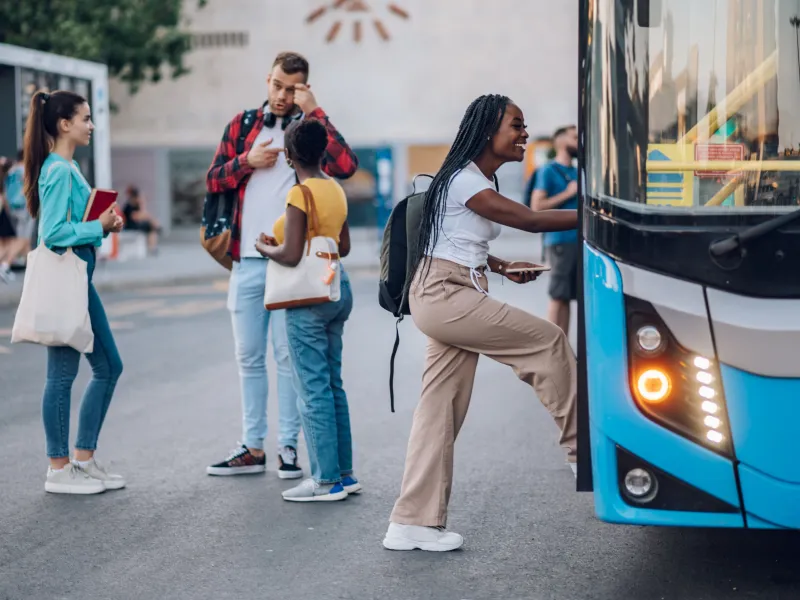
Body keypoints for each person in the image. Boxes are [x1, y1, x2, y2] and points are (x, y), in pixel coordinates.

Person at [383, 95, 579, 552]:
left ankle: (411, 522)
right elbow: (530, 220)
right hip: (445, 295)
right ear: (488, 130)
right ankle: (582, 452)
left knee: (439, 411)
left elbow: (452, 241)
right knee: (548, 342)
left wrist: (501, 264)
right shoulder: (462, 180)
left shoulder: (471, 179)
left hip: (453, 289)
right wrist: (607, 216)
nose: (525, 134)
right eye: (516, 125)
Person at [205, 51, 358, 478]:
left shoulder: (308, 131)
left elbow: (346, 166)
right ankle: (252, 447)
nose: (282, 95)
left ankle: (287, 449)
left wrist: (316, 111)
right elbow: (212, 178)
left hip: (294, 261)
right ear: (267, 80)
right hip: (247, 260)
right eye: (277, 85)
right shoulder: (241, 126)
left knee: (288, 358)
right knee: (248, 357)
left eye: (292, 88)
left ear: (304, 87)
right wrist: (245, 163)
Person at [23, 90, 125, 494]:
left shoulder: (66, 166)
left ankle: (81, 460)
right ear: (64, 124)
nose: (91, 125)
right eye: (85, 119)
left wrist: (102, 222)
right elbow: (52, 233)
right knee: (64, 375)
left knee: (108, 366)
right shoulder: (59, 170)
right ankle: (58, 468)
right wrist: (99, 226)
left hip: (78, 279)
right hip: (67, 280)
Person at [255, 119, 359, 502]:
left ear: (289, 155)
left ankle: (325, 481)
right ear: (322, 151)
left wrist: (264, 247)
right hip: (336, 288)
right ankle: (345, 474)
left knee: (311, 389)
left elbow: (291, 253)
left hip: (308, 299)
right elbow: (342, 246)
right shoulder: (335, 189)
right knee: (333, 384)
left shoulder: (300, 195)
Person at [531, 125, 579, 334]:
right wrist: (568, 194)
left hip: (579, 240)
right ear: (560, 142)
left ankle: (563, 348)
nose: (579, 141)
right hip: (559, 240)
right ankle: (552, 348)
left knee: (567, 296)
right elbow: (537, 206)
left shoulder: (578, 171)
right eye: (575, 137)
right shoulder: (547, 170)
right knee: (558, 295)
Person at [122, 185, 161, 254]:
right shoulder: (129, 206)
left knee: (151, 227)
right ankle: (152, 246)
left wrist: (142, 205)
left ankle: (153, 247)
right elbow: (136, 217)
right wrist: (142, 204)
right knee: (150, 225)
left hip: (136, 225)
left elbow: (144, 215)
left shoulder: (136, 206)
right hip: (130, 226)